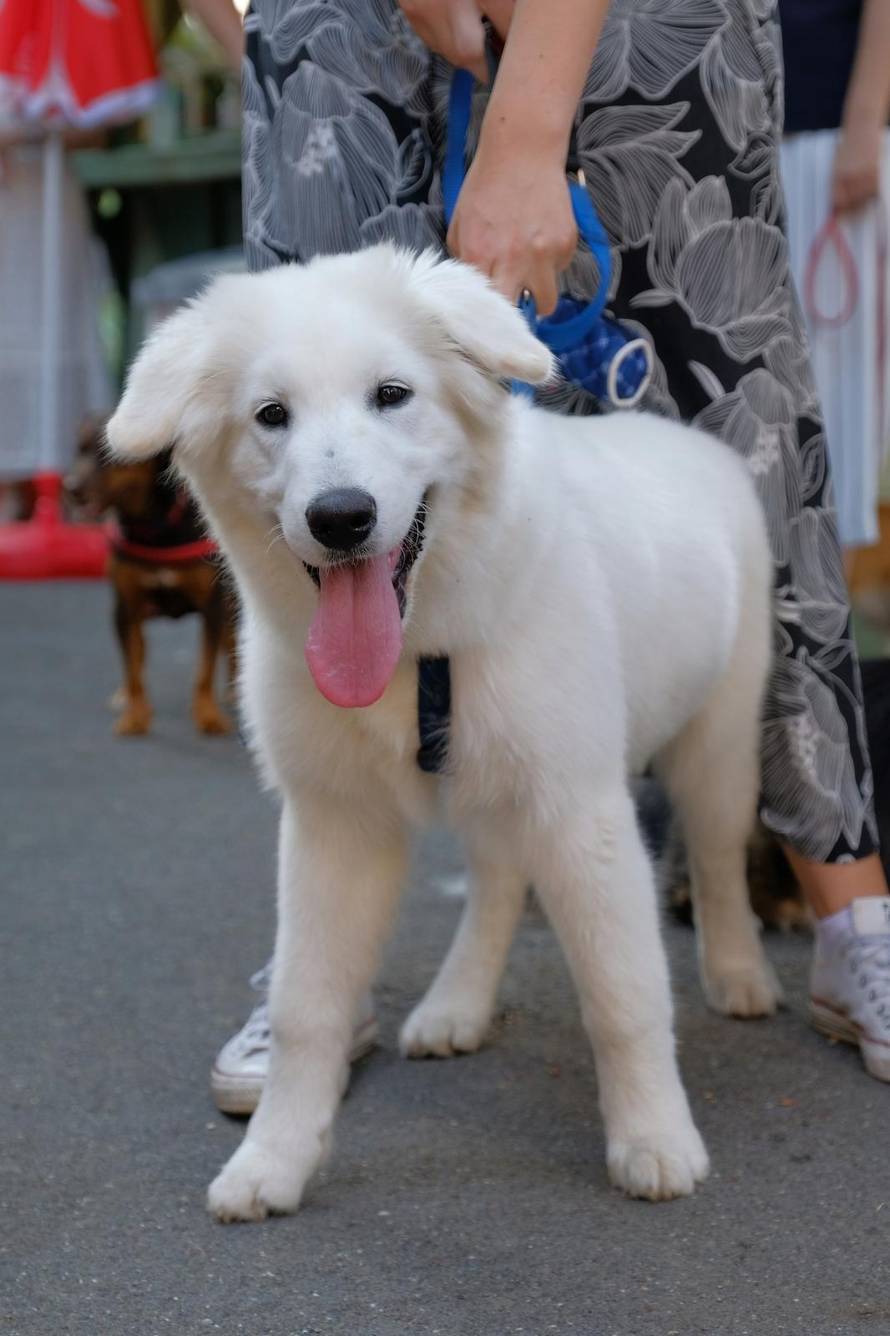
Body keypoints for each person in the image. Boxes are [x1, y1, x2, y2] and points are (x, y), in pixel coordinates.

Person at [200, 0, 890, 1111]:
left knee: (734, 412)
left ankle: (850, 905)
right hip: (342, 23)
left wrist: (527, 132)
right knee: (314, 414)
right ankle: (316, 980)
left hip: (640, 19)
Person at [779, 0, 890, 556]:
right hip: (758, 127)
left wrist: (864, 124)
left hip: (829, 140)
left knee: (831, 388)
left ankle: (827, 585)